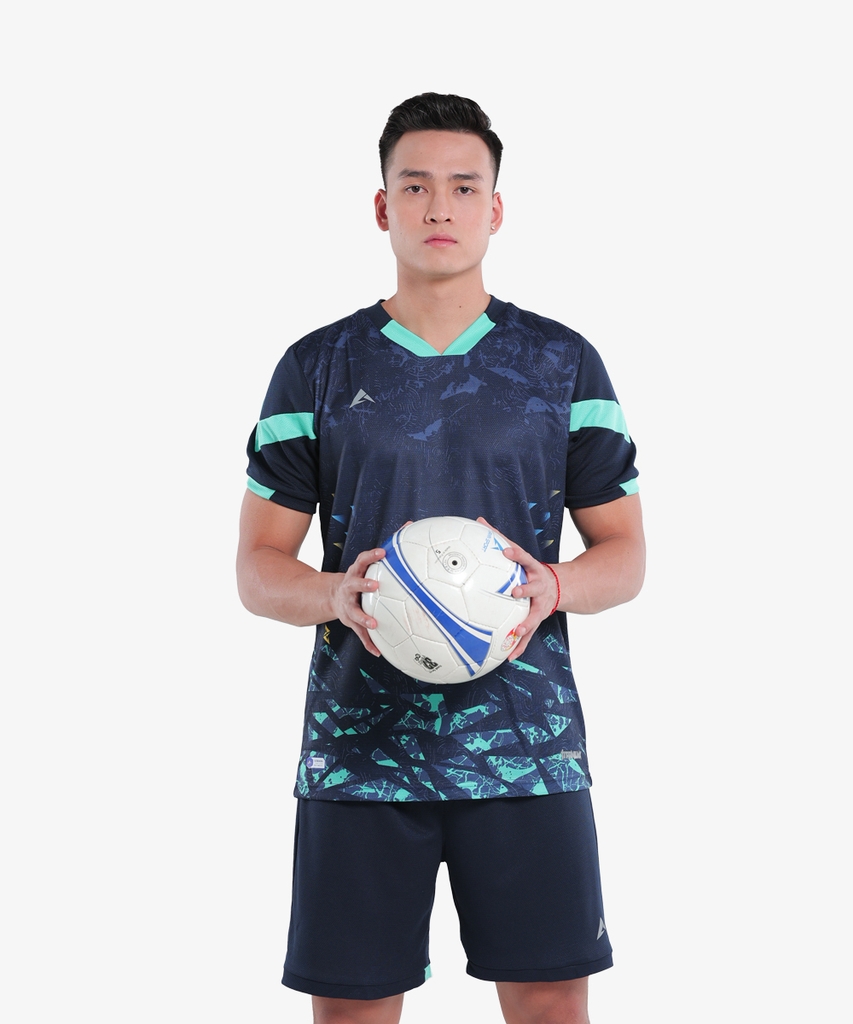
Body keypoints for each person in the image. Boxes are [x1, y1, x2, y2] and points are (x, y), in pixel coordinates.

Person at [236, 92, 645, 1024]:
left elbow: (624, 556)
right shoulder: (317, 366)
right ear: (382, 206)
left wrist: (554, 585)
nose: (438, 207)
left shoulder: (561, 363)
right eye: (415, 185)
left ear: (495, 209)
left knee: (549, 1005)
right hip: (359, 755)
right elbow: (258, 567)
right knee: (353, 1012)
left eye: (464, 187)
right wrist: (336, 595)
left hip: (527, 748)